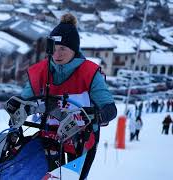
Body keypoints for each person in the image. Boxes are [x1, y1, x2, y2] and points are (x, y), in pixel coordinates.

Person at [18, 13, 117, 180]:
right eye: (54, 49)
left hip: (82, 138)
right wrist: (18, 108)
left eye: (63, 48)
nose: (57, 55)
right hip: (49, 135)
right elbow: (25, 99)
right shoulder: (41, 71)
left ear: (74, 49)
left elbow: (110, 108)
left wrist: (96, 116)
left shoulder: (90, 72)